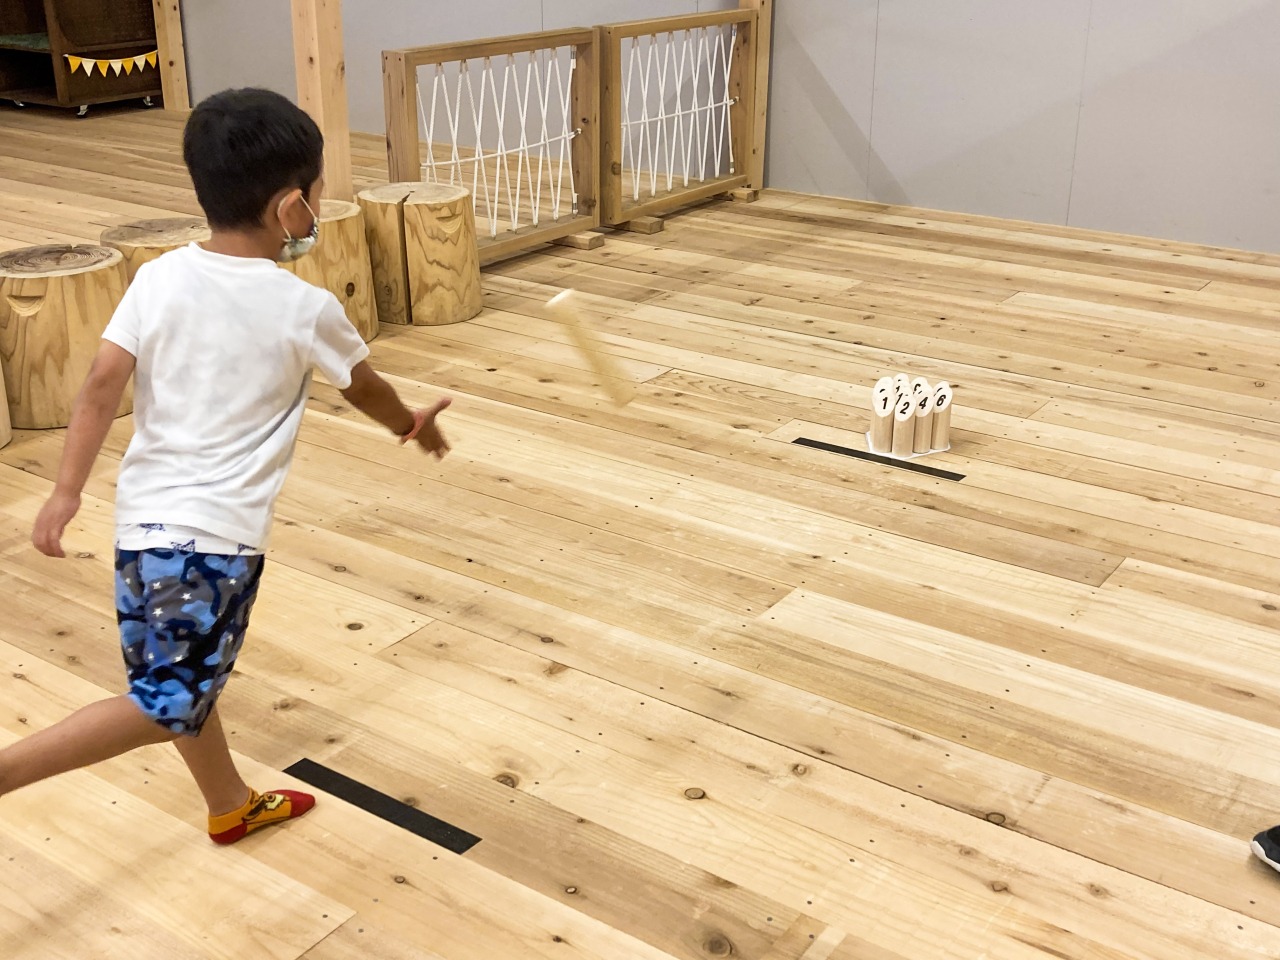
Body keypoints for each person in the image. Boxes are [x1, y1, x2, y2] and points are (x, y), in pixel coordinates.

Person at [0, 88, 450, 845]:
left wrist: (65, 491)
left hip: (141, 529)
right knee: (166, 702)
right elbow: (364, 387)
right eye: (317, 196)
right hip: (214, 544)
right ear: (291, 208)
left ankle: (229, 803)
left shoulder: (158, 277)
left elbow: (101, 385)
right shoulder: (304, 308)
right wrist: (411, 424)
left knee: (179, 679)